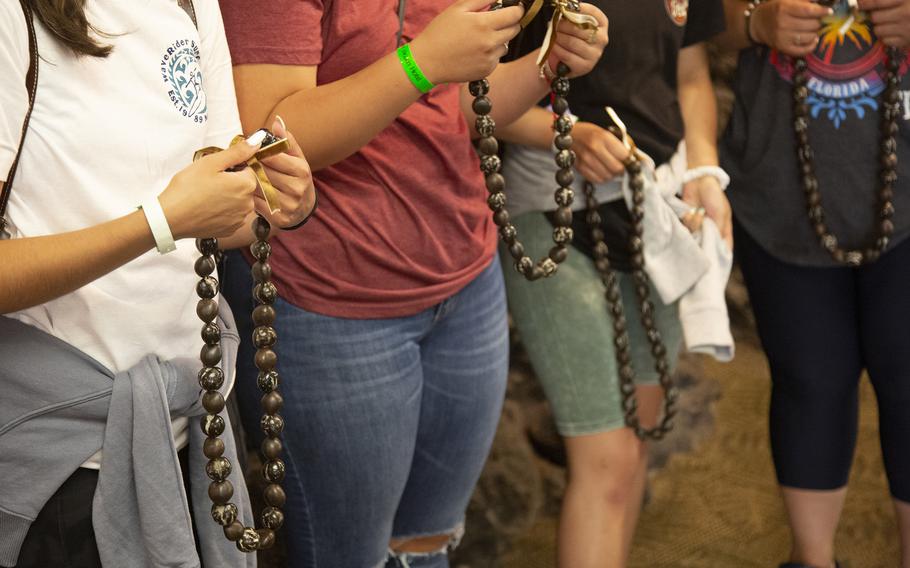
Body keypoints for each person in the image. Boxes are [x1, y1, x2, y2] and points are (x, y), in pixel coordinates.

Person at [217, 1, 607, 566]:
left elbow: (457, 109)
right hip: (331, 303)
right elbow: (266, 137)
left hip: (464, 278)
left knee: (427, 541)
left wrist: (549, 64)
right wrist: (421, 61)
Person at [0, 1, 314, 566]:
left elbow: (217, 205)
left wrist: (278, 201)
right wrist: (159, 222)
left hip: (190, 428)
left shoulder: (192, 6)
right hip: (65, 459)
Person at [495, 1, 729, 566]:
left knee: (634, 449)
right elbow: (468, 100)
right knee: (603, 458)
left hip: (658, 210)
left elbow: (690, 73)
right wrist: (563, 132)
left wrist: (702, 169)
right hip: (551, 212)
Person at [715, 0, 910, 566]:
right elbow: (692, 21)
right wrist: (755, 22)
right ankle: (812, 559)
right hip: (780, 194)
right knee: (810, 384)